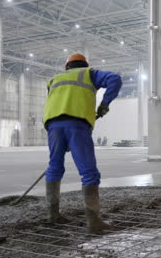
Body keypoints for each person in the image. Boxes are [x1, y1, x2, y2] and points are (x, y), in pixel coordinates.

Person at [42, 53, 122, 234]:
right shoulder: (88, 73)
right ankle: (94, 222)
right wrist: (104, 104)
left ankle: (52, 215)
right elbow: (114, 79)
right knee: (89, 173)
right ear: (84, 65)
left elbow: (58, 102)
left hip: (54, 126)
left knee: (54, 168)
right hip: (77, 125)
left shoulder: (54, 79)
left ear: (67, 67)